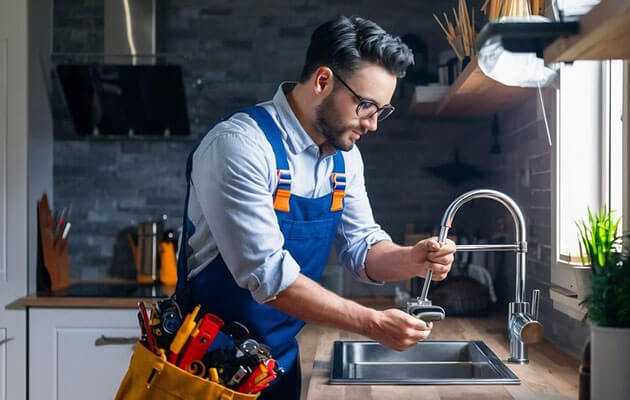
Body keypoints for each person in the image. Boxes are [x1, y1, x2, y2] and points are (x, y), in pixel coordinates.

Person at [176, 15, 457, 399]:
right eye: (367, 106)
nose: (373, 124)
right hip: (202, 371)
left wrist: (413, 257)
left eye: (382, 111)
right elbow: (269, 277)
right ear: (323, 81)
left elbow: (362, 247)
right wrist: (373, 323)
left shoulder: (344, 158)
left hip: (274, 366)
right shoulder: (239, 146)